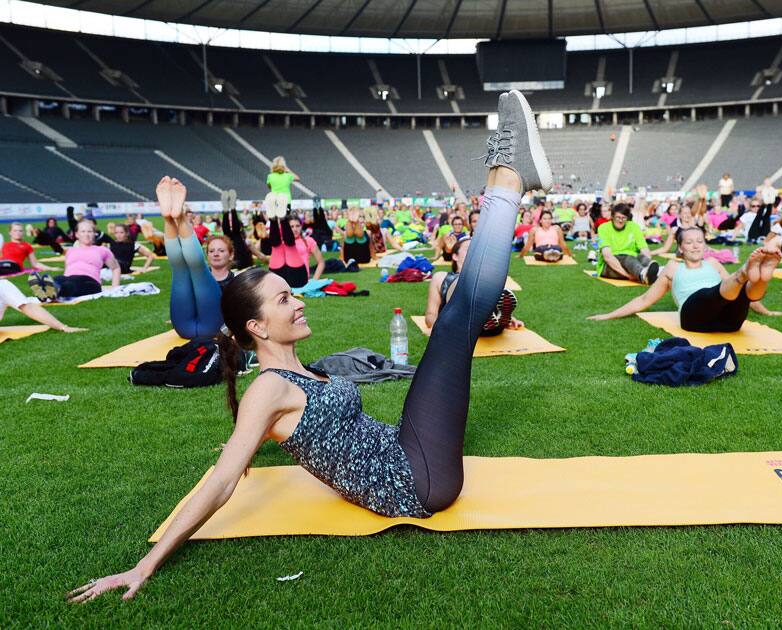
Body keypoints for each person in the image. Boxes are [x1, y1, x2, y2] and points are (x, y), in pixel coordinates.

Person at [68, 89, 553, 603]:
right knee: (458, 321)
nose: (298, 303)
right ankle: (507, 175)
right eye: (283, 299)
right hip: (414, 481)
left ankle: (507, 177)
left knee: (458, 309)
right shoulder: (269, 389)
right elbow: (221, 482)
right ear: (255, 326)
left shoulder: (293, 373)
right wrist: (143, 567)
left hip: (403, 449)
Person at [588, 227, 782, 328]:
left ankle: (762, 278)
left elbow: (746, 298)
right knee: (714, 293)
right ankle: (744, 273)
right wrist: (608, 315)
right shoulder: (673, 268)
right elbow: (644, 300)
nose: (696, 246)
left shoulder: (714, 265)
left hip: (729, 323)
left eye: (699, 241)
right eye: (689, 242)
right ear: (680, 248)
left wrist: (766, 312)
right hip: (695, 317)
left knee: (740, 294)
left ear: (705, 245)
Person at [155, 177, 225, 339]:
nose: (215, 254)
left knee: (181, 269)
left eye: (221, 251)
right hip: (209, 326)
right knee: (194, 268)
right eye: (213, 250)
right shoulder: (234, 278)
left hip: (183, 327)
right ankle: (177, 217)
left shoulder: (234, 277)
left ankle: (170, 218)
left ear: (231, 255)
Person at [426, 235, 522, 335]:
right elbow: (430, 314)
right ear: (455, 256)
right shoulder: (440, 277)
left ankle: (486, 317)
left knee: (485, 281)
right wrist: (437, 326)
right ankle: (478, 315)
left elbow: (502, 302)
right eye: (470, 249)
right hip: (456, 322)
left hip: (486, 328)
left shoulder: (487, 278)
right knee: (463, 281)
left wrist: (509, 319)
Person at [30, 220, 120, 301]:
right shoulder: (71, 251)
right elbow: (68, 268)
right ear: (77, 234)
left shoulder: (102, 250)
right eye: (83, 231)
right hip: (69, 277)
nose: (87, 234)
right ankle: (45, 289)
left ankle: (52, 291)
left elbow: (115, 268)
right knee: (59, 278)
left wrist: (115, 287)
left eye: (90, 231)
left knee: (72, 284)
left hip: (90, 281)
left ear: (94, 234)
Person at [596, 203, 659, 284]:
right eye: (618, 217)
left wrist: (647, 261)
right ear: (612, 217)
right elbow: (607, 257)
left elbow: (644, 249)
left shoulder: (634, 227)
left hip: (631, 262)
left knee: (641, 258)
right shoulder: (603, 228)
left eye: (623, 218)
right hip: (611, 265)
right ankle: (642, 274)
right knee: (627, 258)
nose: (621, 220)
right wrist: (627, 276)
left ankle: (651, 270)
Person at [0, 278, 86, 333]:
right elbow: (27, 306)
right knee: (24, 301)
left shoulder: (3, 286)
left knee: (23, 301)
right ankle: (47, 298)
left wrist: (63, 327)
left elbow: (28, 307)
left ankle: (47, 297)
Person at [287, 216, 325, 281]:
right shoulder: (282, 243)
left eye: (297, 226)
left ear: (301, 227)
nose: (295, 229)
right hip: (287, 282)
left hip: (304, 281)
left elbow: (321, 262)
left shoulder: (308, 241)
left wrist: (314, 280)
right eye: (292, 227)